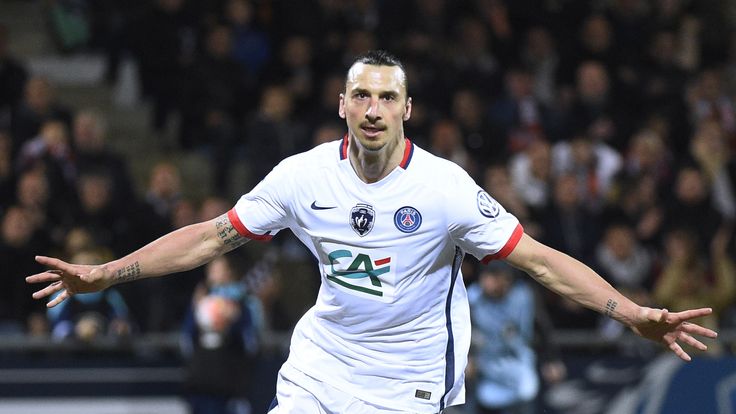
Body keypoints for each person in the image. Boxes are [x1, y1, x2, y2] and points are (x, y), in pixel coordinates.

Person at [27, 50, 717, 414]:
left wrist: (630, 314)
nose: (374, 107)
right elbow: (211, 237)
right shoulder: (301, 177)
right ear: (342, 105)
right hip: (324, 361)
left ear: (407, 109)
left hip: (409, 379)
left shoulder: (444, 188)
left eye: (388, 96)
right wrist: (102, 274)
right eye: (362, 94)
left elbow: (538, 261)